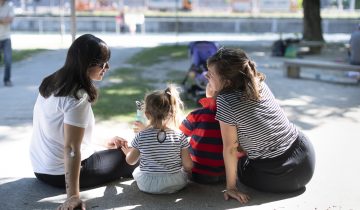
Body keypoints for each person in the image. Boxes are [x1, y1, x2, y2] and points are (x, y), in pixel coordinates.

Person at [30, 34, 136, 210]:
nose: (107, 67)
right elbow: (71, 148)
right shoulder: (77, 96)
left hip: (41, 169)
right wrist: (73, 197)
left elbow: (64, 132)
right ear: (87, 63)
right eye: (102, 63)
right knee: (133, 156)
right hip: (59, 173)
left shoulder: (53, 81)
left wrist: (104, 141)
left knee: (123, 151)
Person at [206, 48, 316, 203]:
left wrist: (231, 187)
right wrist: (214, 85)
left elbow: (230, 148)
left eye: (210, 75)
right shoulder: (256, 82)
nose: (206, 76)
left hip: (282, 176)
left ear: (228, 82)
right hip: (305, 155)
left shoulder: (226, 101)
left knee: (236, 158)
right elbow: (212, 93)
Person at [122, 84, 193, 194]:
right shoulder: (179, 136)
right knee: (181, 172)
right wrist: (186, 172)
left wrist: (128, 153)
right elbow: (188, 165)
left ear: (147, 114)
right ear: (171, 112)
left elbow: (131, 161)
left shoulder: (141, 136)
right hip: (175, 183)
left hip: (147, 185)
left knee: (137, 171)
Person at [180, 83, 246, 184]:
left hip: (198, 174)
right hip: (225, 174)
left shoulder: (196, 115)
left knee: (185, 144)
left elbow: (179, 135)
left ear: (210, 90)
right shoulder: (235, 116)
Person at [0, 0, 14, 87]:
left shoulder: (9, 6)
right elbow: (6, 20)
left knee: (8, 60)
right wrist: (3, 20)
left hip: (6, 37)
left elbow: (10, 20)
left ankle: (7, 80)